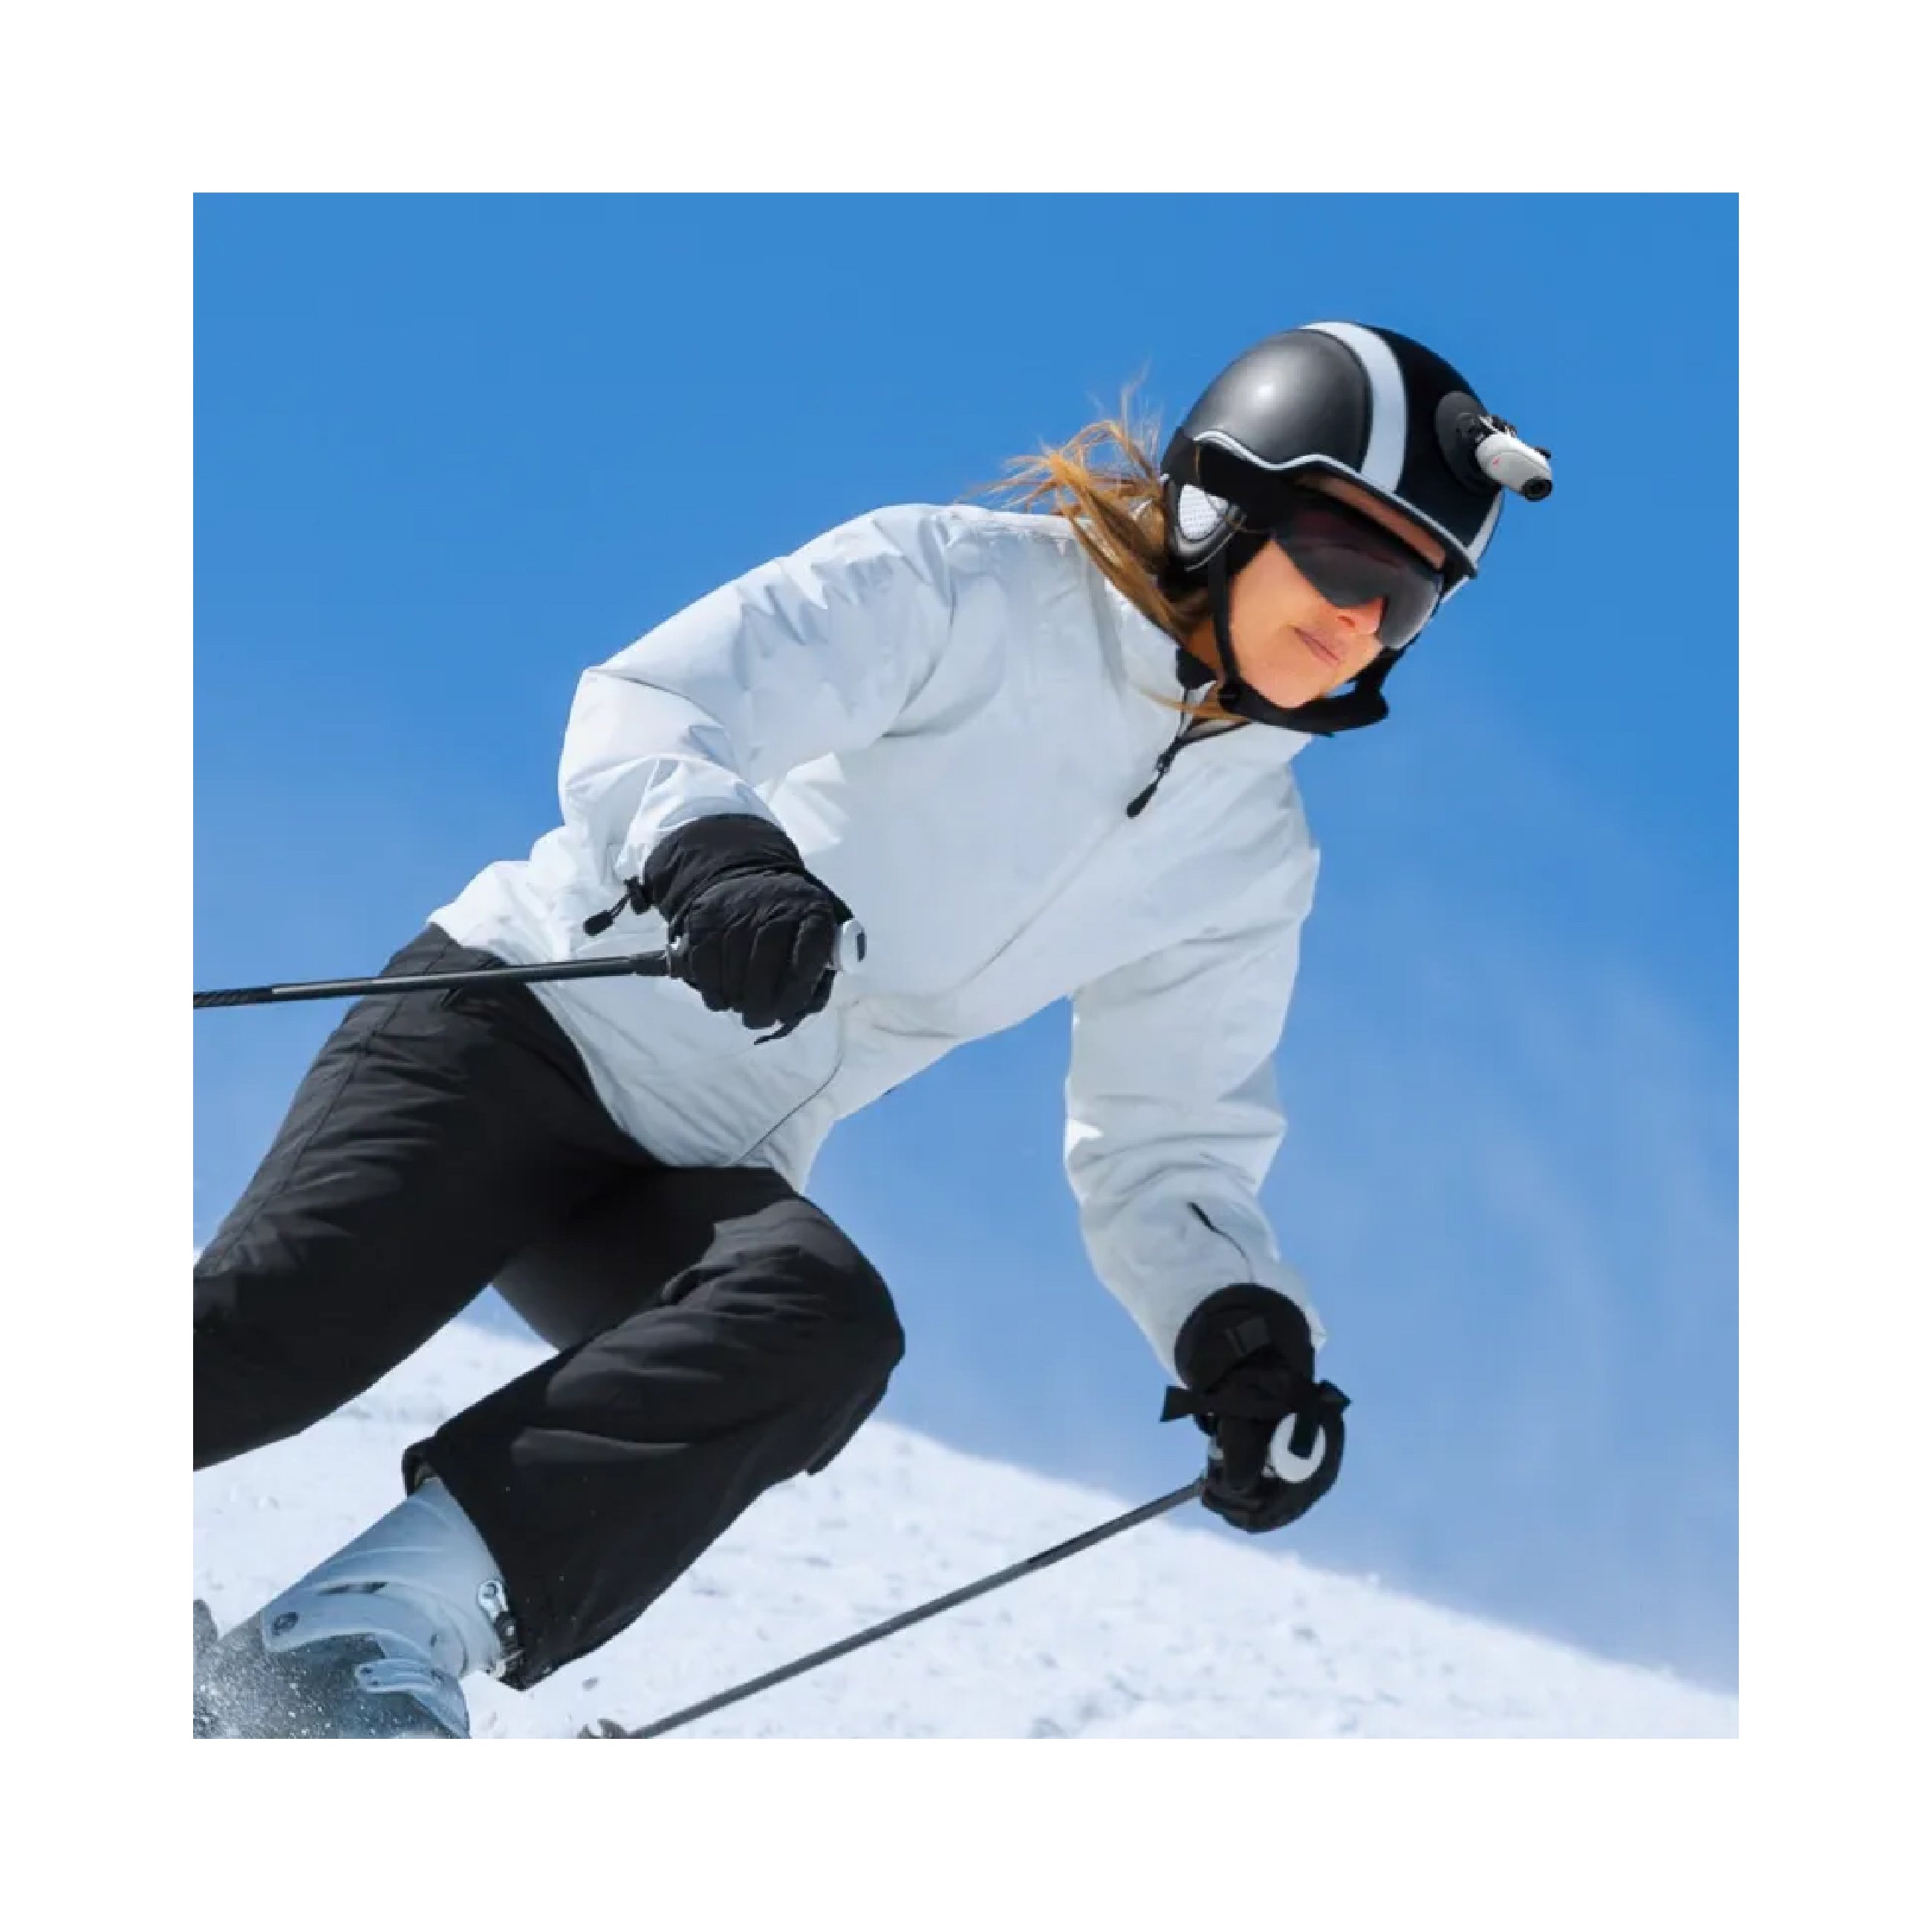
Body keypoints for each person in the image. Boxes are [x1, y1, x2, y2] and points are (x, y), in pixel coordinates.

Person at [192, 319, 1551, 1737]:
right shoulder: (968, 587)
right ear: (1222, 503)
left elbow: (1167, 1143)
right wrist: (717, 857)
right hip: (521, 1031)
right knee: (264, 1345)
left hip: (703, 1159)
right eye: (1345, 561)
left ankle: (347, 1644)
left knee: (811, 1320)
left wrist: (1236, 1328)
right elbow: (661, 698)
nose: (1361, 622)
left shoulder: (1248, 853)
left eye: (1408, 599)